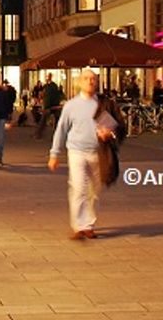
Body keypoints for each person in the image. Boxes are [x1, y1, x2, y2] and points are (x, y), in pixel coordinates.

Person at [48, 70, 118, 239]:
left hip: (97, 151)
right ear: (80, 82)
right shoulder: (71, 105)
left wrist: (109, 133)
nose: (90, 82)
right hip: (77, 150)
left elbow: (114, 127)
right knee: (78, 187)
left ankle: (89, 223)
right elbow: (61, 129)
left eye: (93, 79)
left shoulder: (103, 104)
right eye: (86, 79)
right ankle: (79, 225)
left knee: (95, 190)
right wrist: (54, 154)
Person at [35, 73, 64, 139]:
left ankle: (39, 134)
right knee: (55, 120)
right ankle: (54, 135)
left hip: (51, 106)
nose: (47, 78)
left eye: (47, 77)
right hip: (54, 105)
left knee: (44, 119)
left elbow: (48, 97)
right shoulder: (50, 86)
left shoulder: (50, 86)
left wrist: (46, 105)